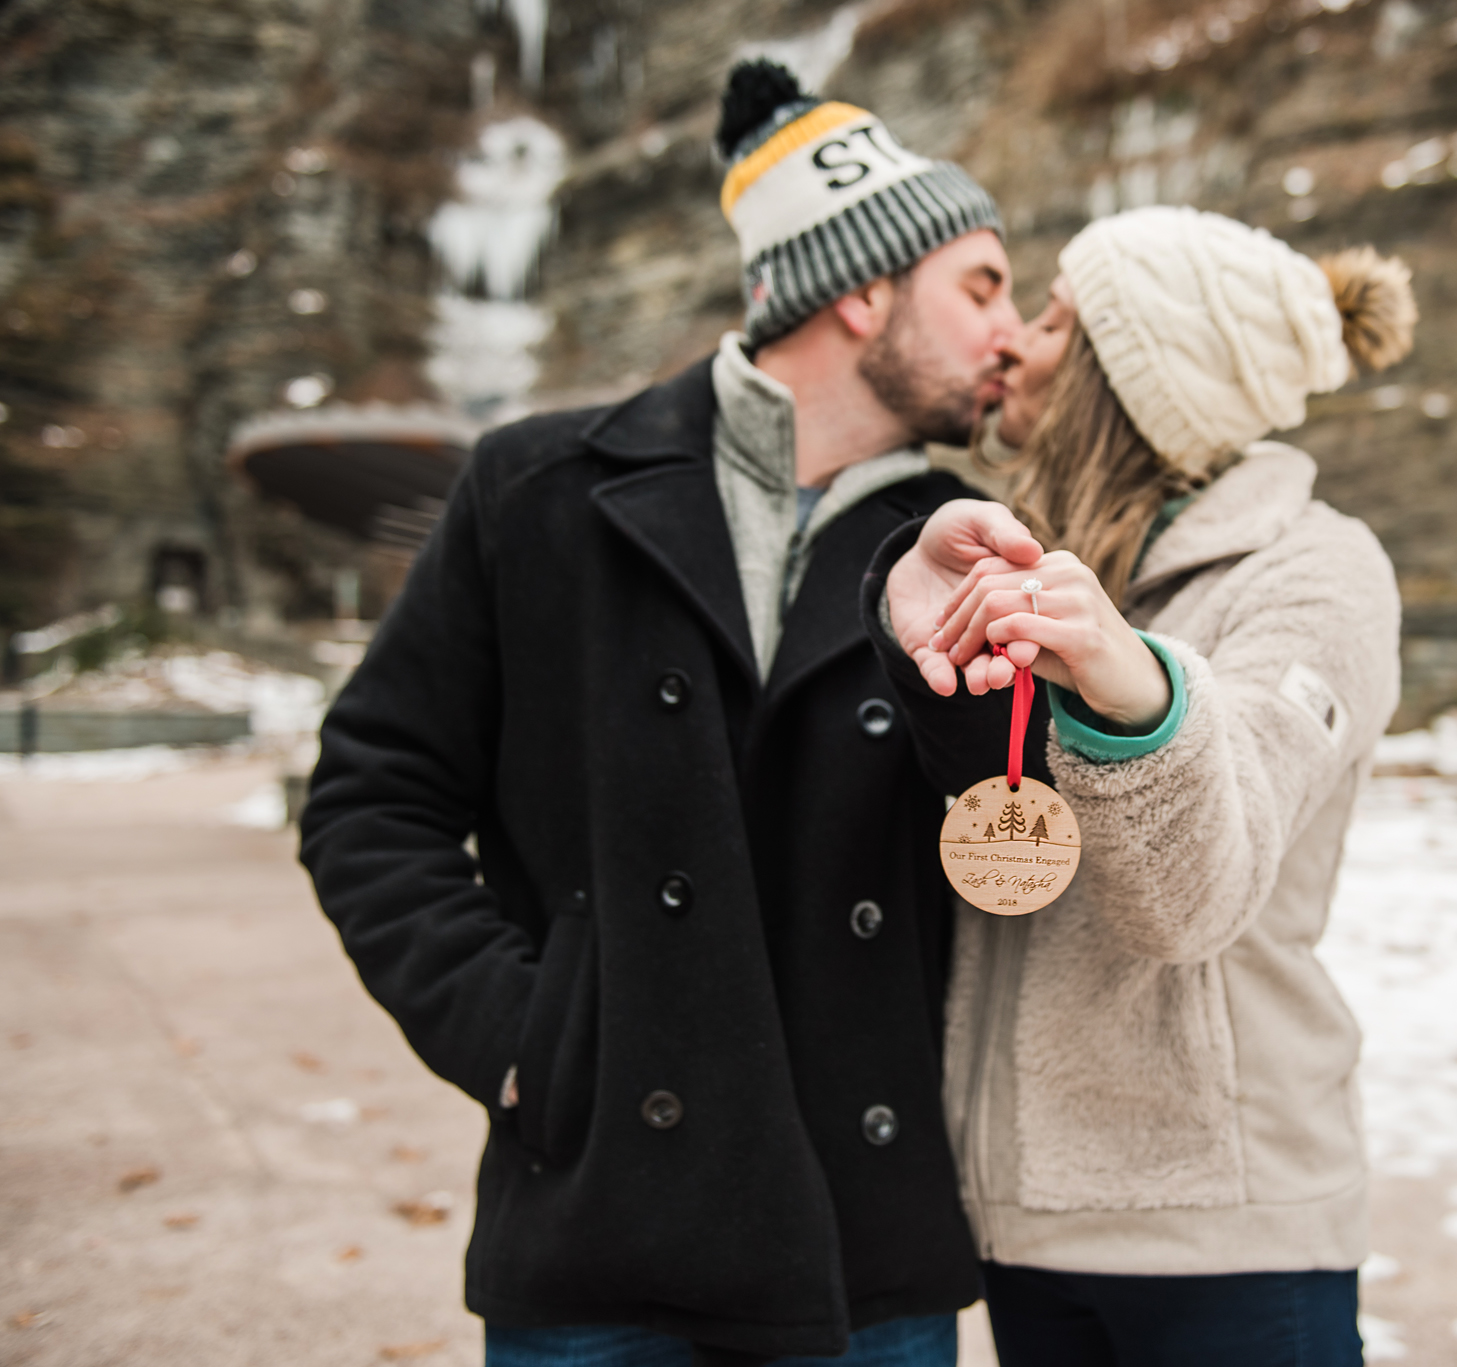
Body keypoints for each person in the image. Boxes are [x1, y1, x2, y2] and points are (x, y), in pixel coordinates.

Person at [298, 60, 1021, 1367]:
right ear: (859, 290)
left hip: (868, 1255)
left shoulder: (967, 546)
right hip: (600, 1228)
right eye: (982, 285)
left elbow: (1010, 839)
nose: (1012, 332)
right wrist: (523, 1038)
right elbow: (373, 790)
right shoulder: (541, 491)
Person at [868, 205, 1417, 1365]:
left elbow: (1194, 898)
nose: (1013, 339)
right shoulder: (1019, 554)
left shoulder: (1318, 571)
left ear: (1139, 375)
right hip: (1025, 1217)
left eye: (1059, 323)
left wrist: (1137, 694)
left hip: (1223, 1235)